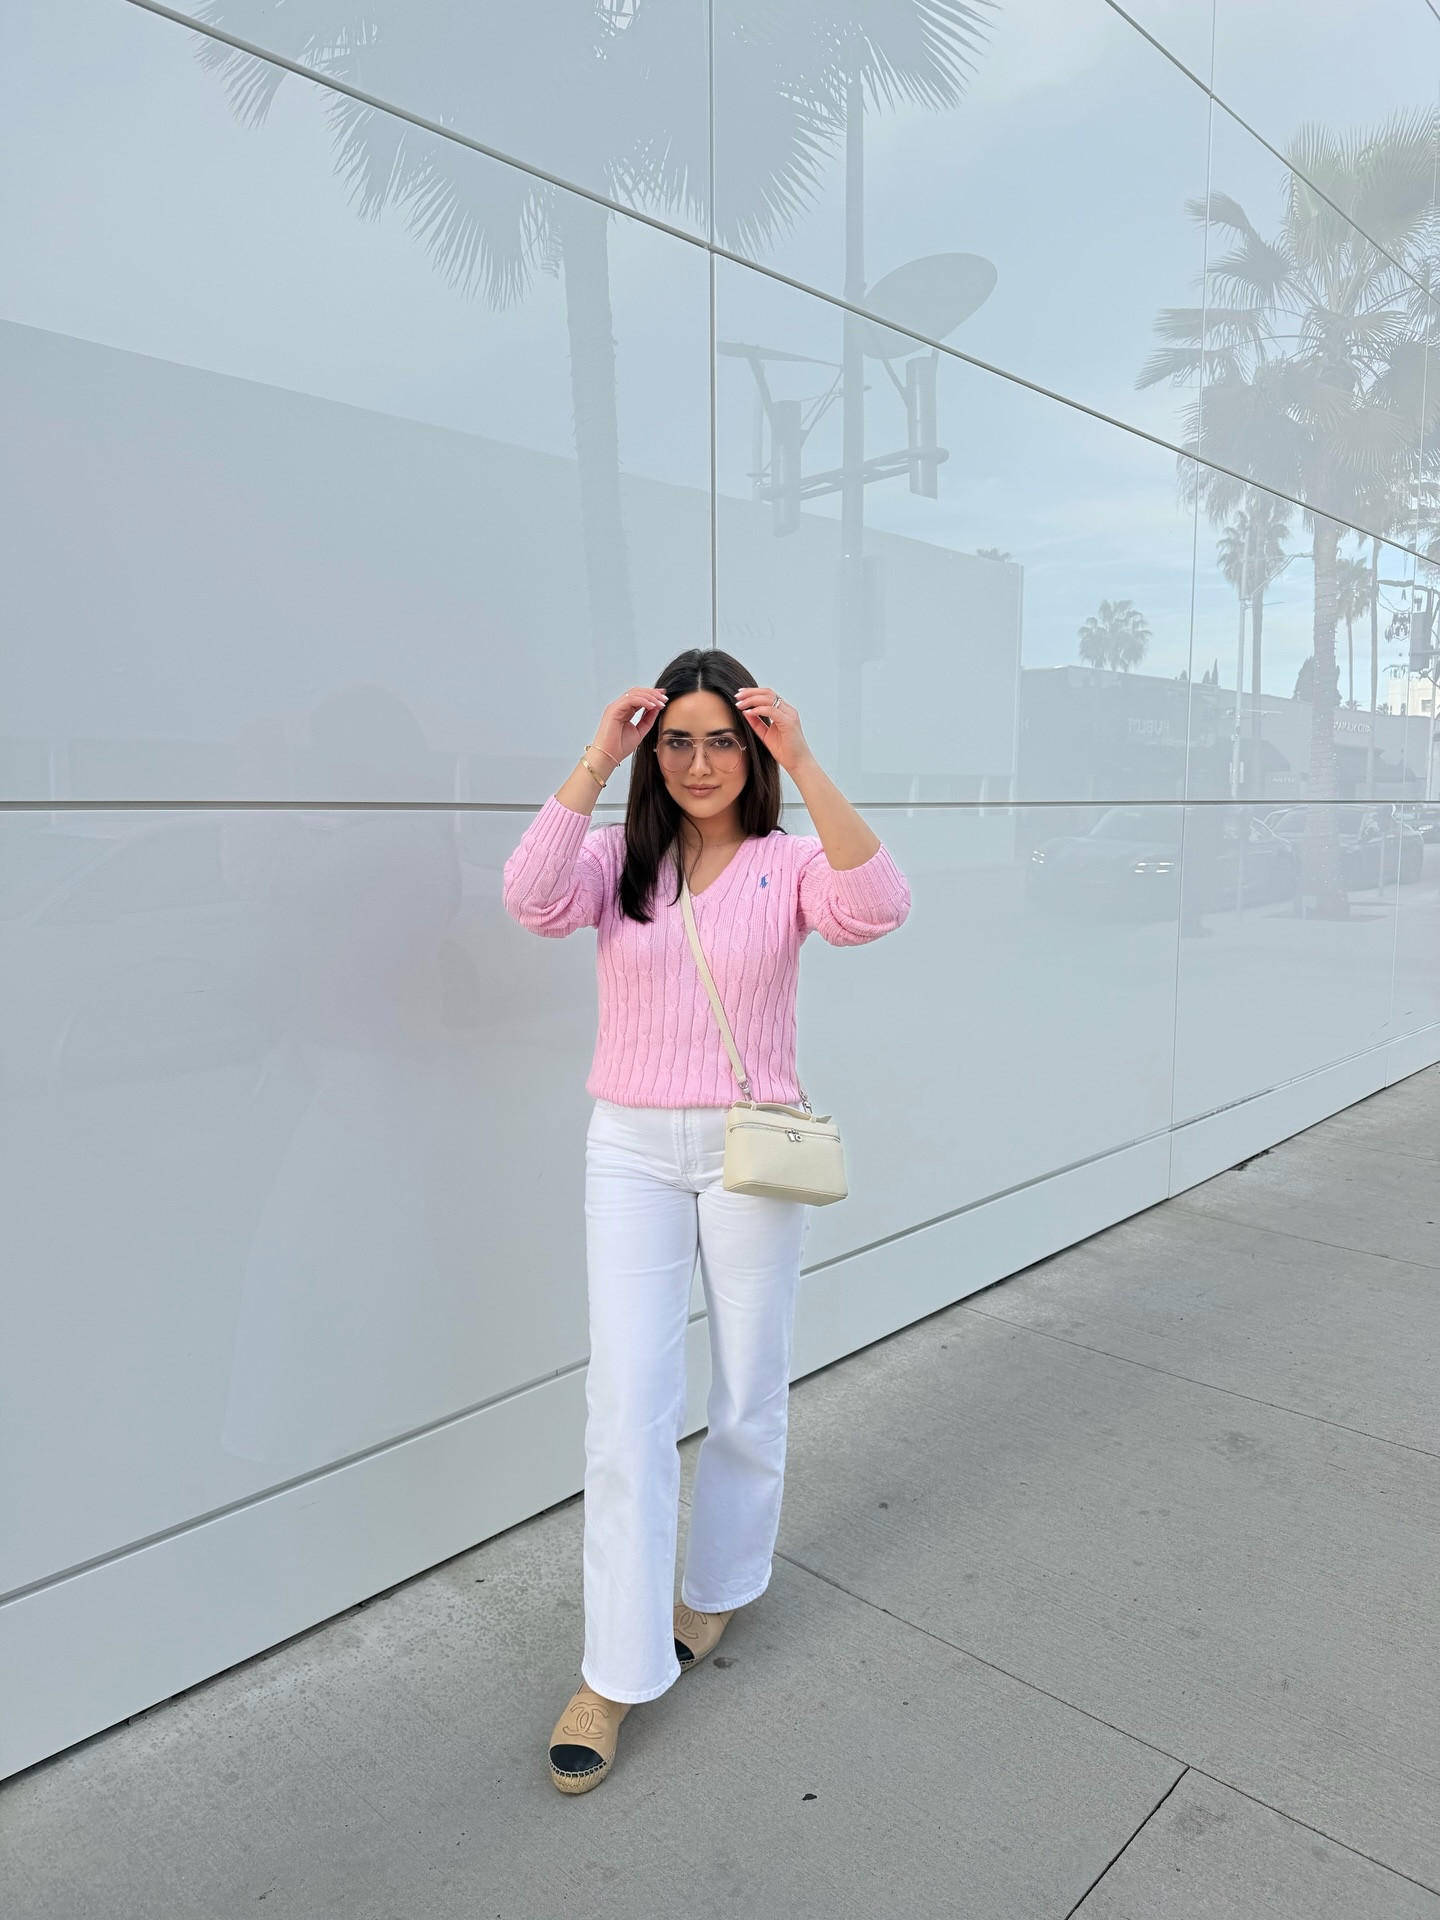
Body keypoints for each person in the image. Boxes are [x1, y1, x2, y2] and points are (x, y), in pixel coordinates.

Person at [502, 647, 911, 1794]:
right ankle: (614, 1669)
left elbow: (881, 905)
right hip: (627, 1145)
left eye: (719, 739)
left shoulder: (788, 865)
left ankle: (717, 1593)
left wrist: (808, 759)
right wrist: (596, 757)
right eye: (675, 740)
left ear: (752, 748)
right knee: (627, 1403)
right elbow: (527, 897)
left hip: (752, 1149)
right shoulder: (611, 865)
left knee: (746, 1387)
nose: (695, 762)